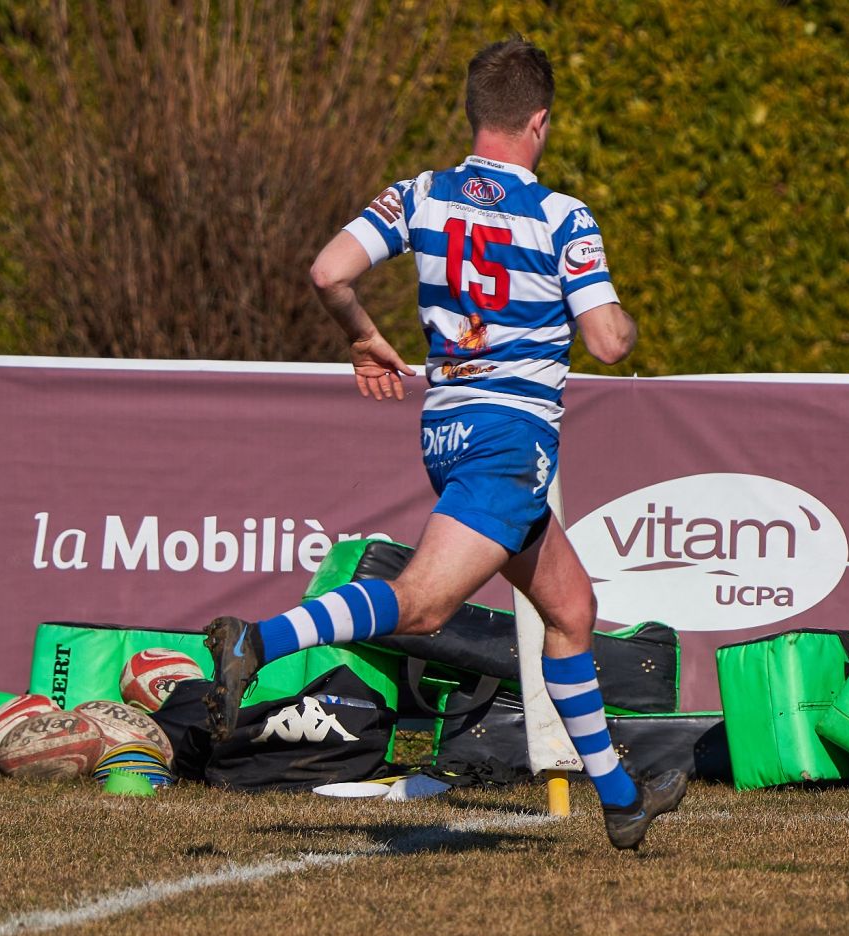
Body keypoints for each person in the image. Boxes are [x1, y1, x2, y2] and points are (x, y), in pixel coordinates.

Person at [199, 37, 686, 849]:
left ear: (474, 115)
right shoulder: (561, 216)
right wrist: (624, 319)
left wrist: (362, 336)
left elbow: (327, 272)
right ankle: (259, 640)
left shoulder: (419, 194)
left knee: (571, 610)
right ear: (539, 121)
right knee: (424, 604)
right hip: (509, 439)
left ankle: (621, 798)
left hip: (447, 432)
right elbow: (607, 343)